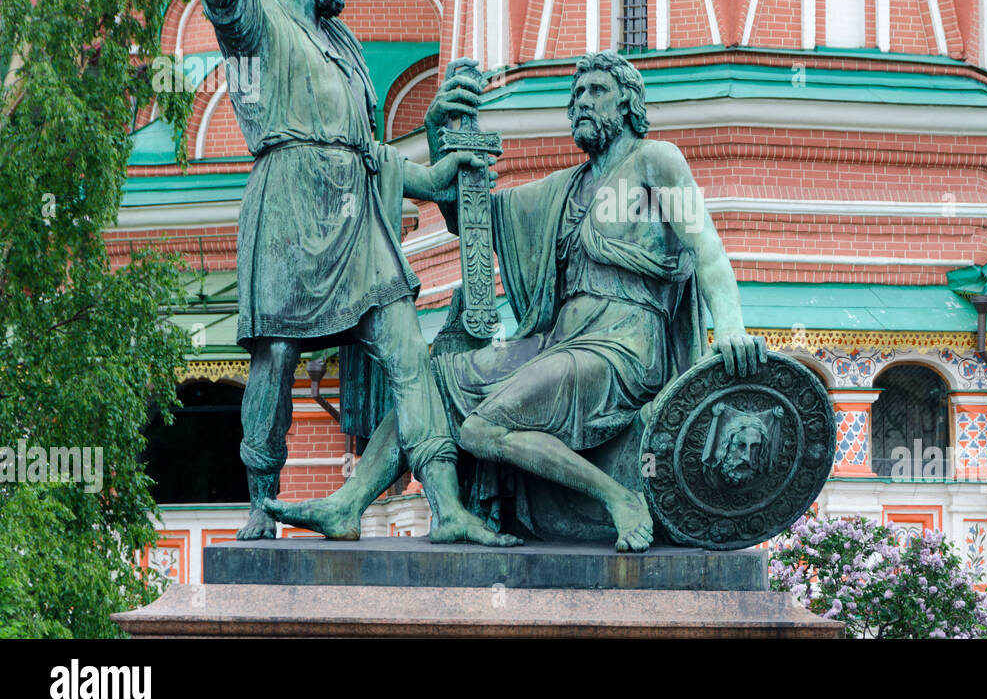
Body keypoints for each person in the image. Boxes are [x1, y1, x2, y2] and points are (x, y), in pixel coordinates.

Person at [268, 51, 767, 551]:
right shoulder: (568, 187)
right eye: (575, 96)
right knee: (434, 379)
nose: (582, 103)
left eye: (596, 91)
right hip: (561, 341)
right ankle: (349, 504)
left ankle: (620, 499)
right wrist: (442, 136)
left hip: (623, 349)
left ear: (628, 103)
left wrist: (729, 327)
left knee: (483, 428)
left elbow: (707, 249)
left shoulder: (657, 161)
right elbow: (473, 216)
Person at [193, 0, 516, 545]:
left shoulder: (343, 44)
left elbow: (372, 155)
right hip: (288, 206)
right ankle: (261, 501)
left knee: (408, 353)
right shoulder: (259, 22)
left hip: (356, 218)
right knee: (276, 359)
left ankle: (446, 505)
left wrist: (444, 171)